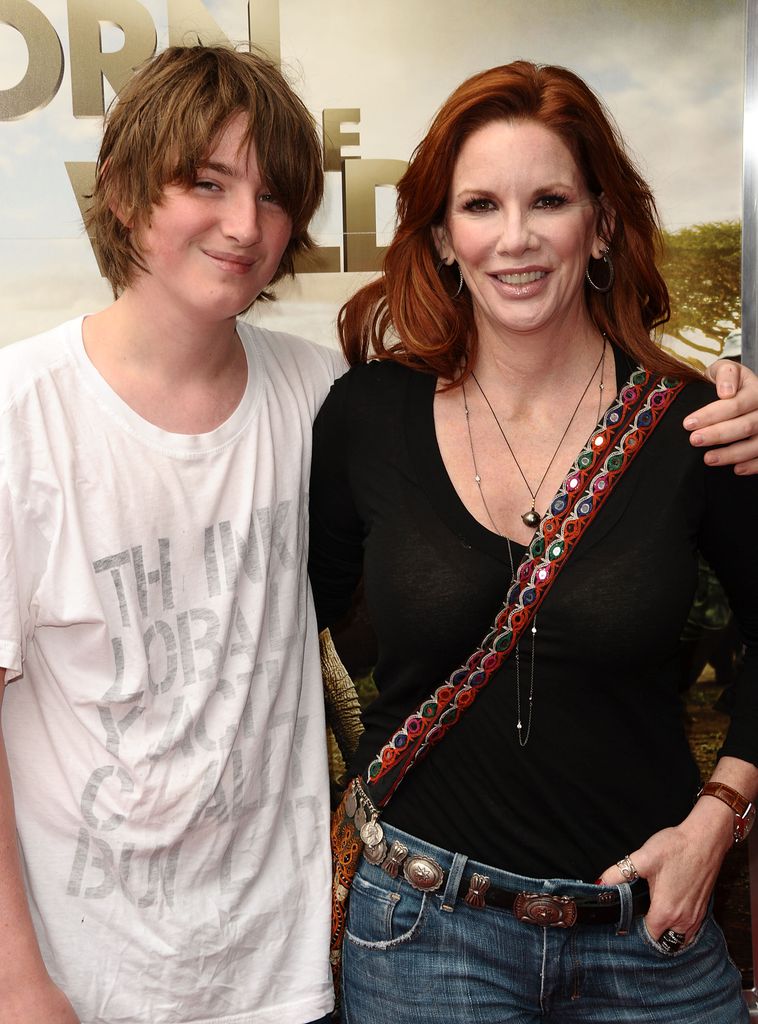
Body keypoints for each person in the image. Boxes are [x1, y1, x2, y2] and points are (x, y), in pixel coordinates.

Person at [309, 61, 758, 1023]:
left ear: (599, 223)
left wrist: (720, 818)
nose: (514, 239)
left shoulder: (696, 427)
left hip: (649, 934)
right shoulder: (367, 417)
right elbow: (294, 620)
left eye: (548, 200)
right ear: (442, 234)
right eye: (480, 205)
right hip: (425, 934)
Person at [0, 45, 344, 1024]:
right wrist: (18, 984)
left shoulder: (319, 393)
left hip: (283, 980)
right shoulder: (20, 412)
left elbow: (499, 433)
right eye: (206, 181)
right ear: (120, 191)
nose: (245, 225)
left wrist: (706, 408)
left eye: (273, 196)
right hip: (85, 984)